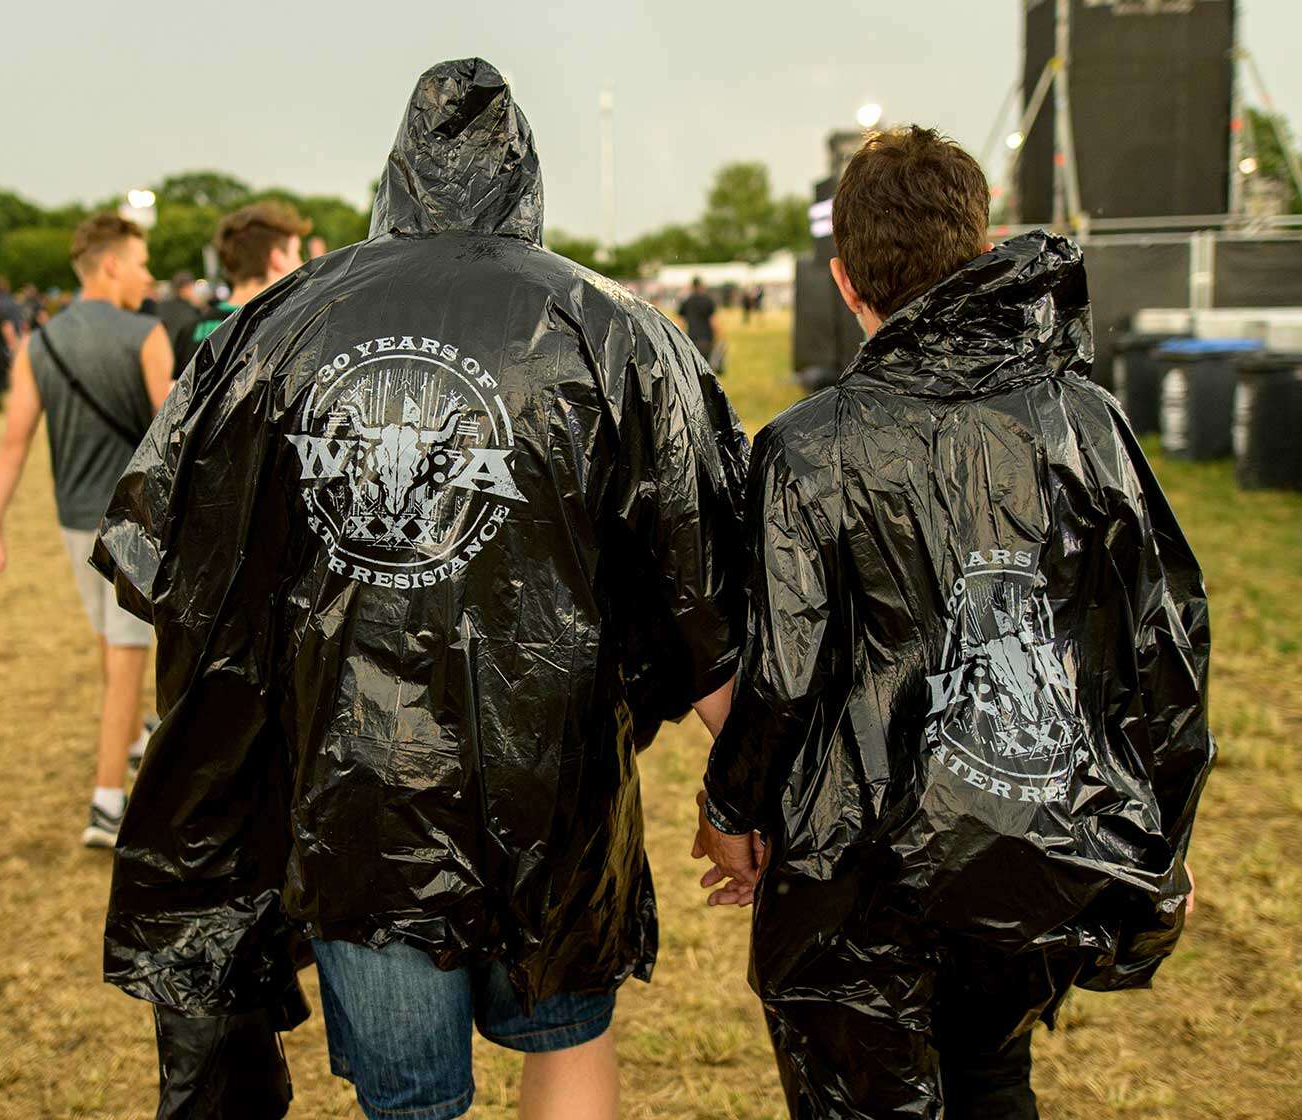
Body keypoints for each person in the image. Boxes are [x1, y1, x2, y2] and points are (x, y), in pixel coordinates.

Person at [90, 59, 748, 1120]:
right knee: (567, 1044)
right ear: (525, 179)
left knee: (410, 1105)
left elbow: (179, 571)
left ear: (396, 175)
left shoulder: (281, 324)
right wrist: (751, 774)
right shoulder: (615, 329)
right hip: (555, 786)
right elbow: (699, 593)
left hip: (362, 792)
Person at [694, 127, 1216, 1119]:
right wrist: (1163, 837)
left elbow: (783, 674)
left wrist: (730, 813)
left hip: (863, 875)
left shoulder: (806, 449)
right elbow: (1166, 649)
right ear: (980, 251)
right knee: (990, 1069)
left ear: (847, 283)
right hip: (1031, 845)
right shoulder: (1086, 421)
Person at [0, 213, 173, 850]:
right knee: (127, 659)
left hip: (72, 524)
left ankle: (132, 741)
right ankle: (108, 802)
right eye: (141, 263)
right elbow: (173, 435)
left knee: (113, 649)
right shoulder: (146, 333)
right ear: (110, 265)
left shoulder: (39, 344)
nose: (150, 275)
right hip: (132, 525)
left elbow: (12, 445)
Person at [169, 200, 310, 376]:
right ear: (277, 259)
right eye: (297, 253)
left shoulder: (191, 331)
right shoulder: (285, 330)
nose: (302, 263)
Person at [150, 271, 203, 354]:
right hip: (183, 353)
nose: (193, 291)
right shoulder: (190, 309)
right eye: (191, 287)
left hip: (166, 351)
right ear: (184, 288)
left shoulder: (161, 305)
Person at [677, 275, 719, 365]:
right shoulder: (708, 301)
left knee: (695, 367)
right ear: (701, 286)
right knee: (706, 367)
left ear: (692, 287)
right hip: (706, 339)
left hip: (692, 338)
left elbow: (681, 322)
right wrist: (718, 336)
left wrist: (679, 338)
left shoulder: (687, 301)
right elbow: (713, 321)